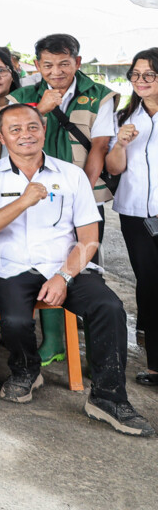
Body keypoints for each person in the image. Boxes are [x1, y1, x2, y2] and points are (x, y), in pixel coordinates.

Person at [0, 104, 154, 437]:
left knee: (109, 307)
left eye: (32, 127)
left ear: (43, 130)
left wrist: (63, 276)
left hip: (66, 265)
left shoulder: (71, 175)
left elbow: (89, 238)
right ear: (0, 136)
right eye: (15, 129)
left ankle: (108, 398)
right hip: (10, 267)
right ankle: (26, 370)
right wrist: (22, 201)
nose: (25, 134)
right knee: (14, 320)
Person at [10, 34, 117, 366]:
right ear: (38, 64)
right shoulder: (24, 94)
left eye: (63, 63)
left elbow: (98, 147)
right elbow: (13, 132)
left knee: (81, 259)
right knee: (43, 258)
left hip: (84, 191)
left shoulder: (100, 96)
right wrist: (39, 110)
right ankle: (53, 340)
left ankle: (81, 335)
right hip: (34, 192)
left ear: (78, 62)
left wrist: (78, 193)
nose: (55, 71)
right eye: (47, 64)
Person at [105, 48, 158, 388]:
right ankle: (156, 365)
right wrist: (120, 145)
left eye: (148, 75)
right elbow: (113, 168)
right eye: (135, 75)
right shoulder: (125, 115)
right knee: (150, 284)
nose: (140, 81)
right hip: (135, 213)